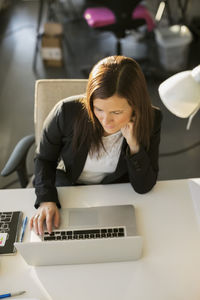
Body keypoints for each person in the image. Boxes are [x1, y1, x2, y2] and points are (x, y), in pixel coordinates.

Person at [30, 55, 162, 235]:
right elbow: (44, 158)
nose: (106, 120)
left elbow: (144, 186)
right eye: (98, 109)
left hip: (114, 197)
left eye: (116, 112)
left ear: (135, 107)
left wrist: (134, 145)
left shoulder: (152, 120)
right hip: (68, 191)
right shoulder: (67, 112)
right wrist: (46, 200)